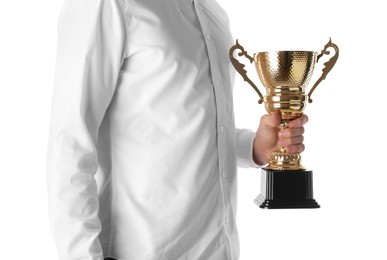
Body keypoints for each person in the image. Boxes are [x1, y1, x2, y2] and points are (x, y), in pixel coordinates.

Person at [47, 0, 307, 259]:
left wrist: (253, 147)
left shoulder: (212, 12)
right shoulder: (106, 4)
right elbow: (70, 143)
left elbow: (196, 124)